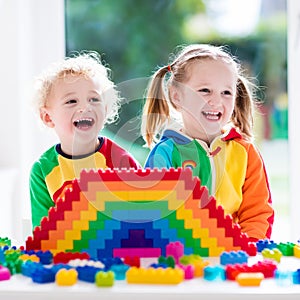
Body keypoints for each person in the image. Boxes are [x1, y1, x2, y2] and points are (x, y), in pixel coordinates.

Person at [141, 44, 274, 241]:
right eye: (205, 90)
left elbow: (257, 213)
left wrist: (248, 249)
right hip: (182, 257)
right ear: (177, 96)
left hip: (234, 257)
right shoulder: (166, 154)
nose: (216, 101)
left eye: (226, 92)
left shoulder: (245, 152)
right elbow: (152, 212)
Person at [30, 51, 140, 228]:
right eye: (71, 101)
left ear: (105, 110)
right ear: (48, 118)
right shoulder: (43, 171)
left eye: (94, 99)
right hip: (66, 253)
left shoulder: (120, 160)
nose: (85, 107)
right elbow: (42, 231)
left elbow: (142, 215)